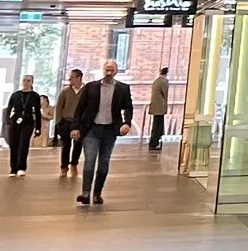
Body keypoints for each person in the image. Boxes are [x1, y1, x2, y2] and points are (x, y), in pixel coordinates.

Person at [72, 60, 133, 207]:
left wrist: (126, 123)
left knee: (104, 163)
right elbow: (79, 109)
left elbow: (128, 108)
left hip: (110, 131)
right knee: (89, 162)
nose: (109, 73)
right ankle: (86, 193)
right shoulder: (91, 87)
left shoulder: (122, 88)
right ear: (102, 70)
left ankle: (97, 193)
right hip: (92, 130)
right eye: (107, 70)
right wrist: (75, 127)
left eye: (112, 70)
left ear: (116, 72)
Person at [2, 77, 39, 177]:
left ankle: (21, 167)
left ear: (32, 82)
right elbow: (9, 108)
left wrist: (38, 128)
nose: (26, 83)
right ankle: (13, 168)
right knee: (14, 144)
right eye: (24, 80)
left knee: (23, 143)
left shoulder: (35, 96)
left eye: (28, 81)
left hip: (28, 122)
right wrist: (8, 121)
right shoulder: (15, 95)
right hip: (15, 121)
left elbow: (37, 112)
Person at [53, 68, 82, 177]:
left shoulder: (85, 91)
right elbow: (59, 107)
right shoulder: (65, 91)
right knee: (66, 145)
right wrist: (58, 122)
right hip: (65, 122)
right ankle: (64, 167)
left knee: (78, 144)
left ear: (79, 78)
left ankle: (74, 163)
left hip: (79, 122)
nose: (70, 79)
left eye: (72, 77)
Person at [147, 67, 170, 152]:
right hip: (160, 107)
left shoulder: (157, 81)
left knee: (156, 125)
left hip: (155, 106)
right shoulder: (164, 81)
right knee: (158, 126)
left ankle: (154, 142)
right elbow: (165, 93)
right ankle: (154, 142)